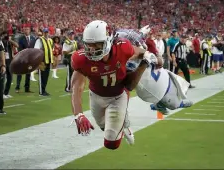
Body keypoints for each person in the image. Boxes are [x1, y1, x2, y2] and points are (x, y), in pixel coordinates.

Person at [70, 20, 157, 150]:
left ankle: (123, 122)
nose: (92, 50)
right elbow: (76, 85)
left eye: (97, 45)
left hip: (117, 97)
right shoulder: (81, 59)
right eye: (89, 45)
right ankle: (123, 123)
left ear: (108, 40)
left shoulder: (122, 48)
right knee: (104, 127)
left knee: (111, 144)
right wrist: (78, 114)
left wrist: (147, 55)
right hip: (96, 97)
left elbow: (139, 52)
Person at [15, 25, 36, 93]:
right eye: (25, 29)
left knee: (28, 73)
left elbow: (34, 49)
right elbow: (20, 49)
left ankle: (27, 88)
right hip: (23, 58)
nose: (26, 30)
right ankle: (17, 87)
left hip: (30, 59)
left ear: (29, 30)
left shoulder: (33, 38)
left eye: (27, 29)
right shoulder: (21, 38)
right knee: (20, 73)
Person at [34, 28, 54, 96]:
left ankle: (44, 89)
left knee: (46, 76)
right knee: (41, 76)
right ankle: (41, 91)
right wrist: (38, 60)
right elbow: (36, 50)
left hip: (48, 61)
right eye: (45, 32)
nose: (46, 33)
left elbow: (51, 50)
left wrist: (52, 59)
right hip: (42, 61)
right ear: (43, 33)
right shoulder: (39, 40)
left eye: (47, 32)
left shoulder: (50, 40)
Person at [0, 31, 19, 98]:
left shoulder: (9, 42)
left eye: (7, 35)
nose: (6, 36)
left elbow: (17, 45)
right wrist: (2, 39)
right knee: (2, 79)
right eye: (5, 35)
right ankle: (1, 94)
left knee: (10, 78)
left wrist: (10, 40)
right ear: (2, 35)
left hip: (10, 62)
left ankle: (6, 93)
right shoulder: (0, 41)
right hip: (3, 62)